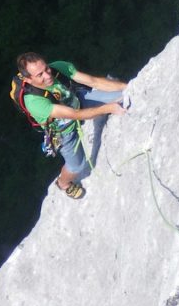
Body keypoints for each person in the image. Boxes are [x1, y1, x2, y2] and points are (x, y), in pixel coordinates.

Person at [16, 53, 127, 199]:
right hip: (63, 131)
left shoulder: (58, 68)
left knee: (121, 95)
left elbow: (94, 81)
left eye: (46, 69)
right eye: (40, 75)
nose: (48, 75)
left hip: (76, 99)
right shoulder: (34, 102)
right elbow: (75, 115)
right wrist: (108, 108)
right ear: (28, 79)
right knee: (77, 166)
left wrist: (128, 87)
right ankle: (63, 183)